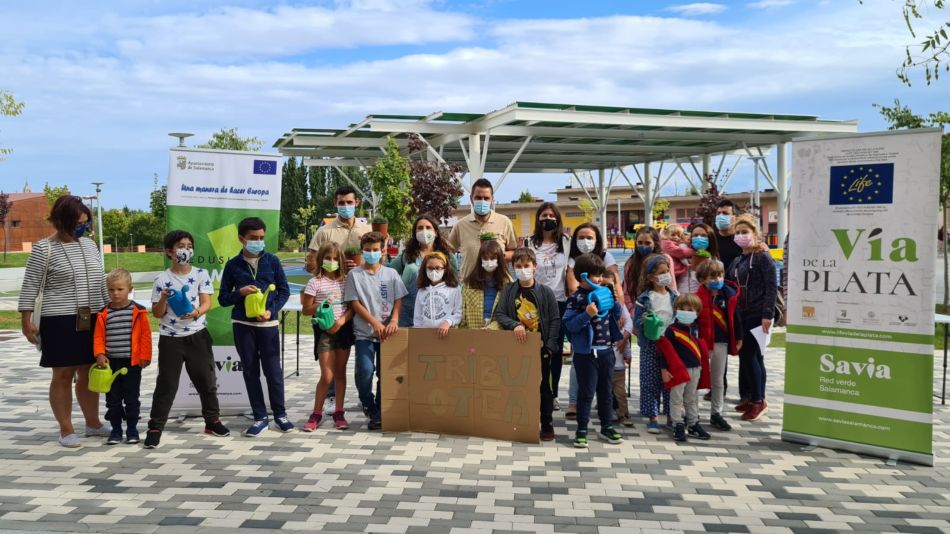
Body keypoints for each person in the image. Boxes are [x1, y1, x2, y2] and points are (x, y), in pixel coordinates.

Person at [18, 195, 110, 447]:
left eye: (86, 223)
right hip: (58, 318)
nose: (83, 228)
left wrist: (107, 312)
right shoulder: (43, 248)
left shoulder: (90, 245)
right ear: (61, 221)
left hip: (91, 317)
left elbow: (100, 281)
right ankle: (66, 429)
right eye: (78, 223)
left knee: (88, 371)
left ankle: (93, 423)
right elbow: (30, 287)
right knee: (63, 373)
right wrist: (26, 320)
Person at [146, 230, 228, 449]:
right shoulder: (161, 279)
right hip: (170, 340)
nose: (186, 250)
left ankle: (212, 421)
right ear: (169, 252)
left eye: (189, 246)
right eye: (181, 246)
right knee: (166, 384)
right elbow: (157, 313)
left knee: (207, 381)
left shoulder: (201, 274)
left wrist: (197, 313)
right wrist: (163, 298)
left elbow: (207, 303)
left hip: (197, 336)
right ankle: (155, 427)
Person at [218, 217, 292, 436]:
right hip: (242, 325)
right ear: (242, 239)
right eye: (253, 238)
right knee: (250, 371)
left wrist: (273, 310)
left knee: (273, 372)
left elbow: (284, 291)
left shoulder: (273, 261)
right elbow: (223, 299)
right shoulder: (232, 265)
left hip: (268, 324)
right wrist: (239, 293)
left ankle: (280, 414)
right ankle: (260, 417)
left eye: (261, 237)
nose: (258, 242)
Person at [493, 248, 561, 442]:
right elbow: (500, 314)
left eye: (526, 266)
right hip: (518, 348)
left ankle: (546, 422)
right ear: (513, 268)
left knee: (544, 388)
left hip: (541, 349)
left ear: (535, 267)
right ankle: (521, 421)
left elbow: (555, 319)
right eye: (518, 266)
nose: (522, 270)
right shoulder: (509, 291)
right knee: (519, 386)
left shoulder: (545, 292)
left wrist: (549, 345)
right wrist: (514, 325)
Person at [344, 231, 408, 430]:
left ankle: (378, 411)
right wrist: (374, 322)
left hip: (388, 334)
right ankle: (367, 401)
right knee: (365, 370)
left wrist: (394, 319)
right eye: (367, 250)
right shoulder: (355, 275)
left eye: (375, 250)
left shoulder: (391, 274)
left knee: (384, 373)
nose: (371, 253)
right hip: (365, 333)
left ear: (383, 251)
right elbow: (354, 302)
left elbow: (399, 298)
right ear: (362, 251)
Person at [563, 253, 625, 448]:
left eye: (601, 275)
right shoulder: (576, 299)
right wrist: (586, 315)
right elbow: (569, 325)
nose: (600, 279)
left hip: (606, 351)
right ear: (583, 277)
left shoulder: (605, 291)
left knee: (606, 392)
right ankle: (582, 429)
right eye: (596, 276)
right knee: (586, 393)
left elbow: (616, 315)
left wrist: (614, 302)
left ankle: (606, 426)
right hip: (586, 354)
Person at [564, 222, 620, 418]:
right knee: (580, 373)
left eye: (589, 237)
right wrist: (587, 309)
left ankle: (607, 417)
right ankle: (575, 406)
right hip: (585, 341)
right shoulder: (573, 264)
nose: (585, 241)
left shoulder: (606, 258)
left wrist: (612, 298)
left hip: (604, 345)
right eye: (581, 237)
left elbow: (613, 283)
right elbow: (573, 290)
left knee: (605, 383)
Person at [726, 215, 777, 422]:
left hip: (757, 313)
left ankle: (758, 400)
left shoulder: (763, 257)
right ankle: (755, 397)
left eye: (745, 232)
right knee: (750, 357)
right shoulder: (739, 260)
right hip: (742, 314)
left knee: (751, 356)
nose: (740, 236)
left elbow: (771, 286)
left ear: (755, 234)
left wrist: (767, 314)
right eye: (737, 233)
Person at [93, 268, 152, 445]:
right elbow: (98, 337)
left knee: (132, 398)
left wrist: (145, 356)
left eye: (120, 289)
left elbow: (145, 336)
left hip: (132, 363)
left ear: (130, 289)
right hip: (111, 364)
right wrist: (100, 354)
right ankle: (116, 430)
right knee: (113, 399)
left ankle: (132, 430)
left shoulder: (138, 312)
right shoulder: (103, 313)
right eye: (111, 289)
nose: (115, 293)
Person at [300, 242, 354, 431]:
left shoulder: (347, 280)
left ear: (340, 261)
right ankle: (316, 413)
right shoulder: (315, 282)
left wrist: (340, 322)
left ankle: (339, 412)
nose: (331, 262)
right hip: (324, 330)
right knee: (327, 375)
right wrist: (322, 306)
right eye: (327, 258)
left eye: (335, 259)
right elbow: (306, 309)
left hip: (343, 330)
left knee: (340, 373)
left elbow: (352, 308)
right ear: (320, 259)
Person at [528, 203, 571, 409]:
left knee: (554, 350)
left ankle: (552, 394)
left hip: (559, 302)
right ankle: (535, 389)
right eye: (544, 215)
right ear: (538, 219)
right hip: (534, 302)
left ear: (558, 219)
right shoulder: (530, 243)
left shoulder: (566, 242)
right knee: (535, 349)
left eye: (551, 215)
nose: (548, 218)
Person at [632, 254, 677, 434]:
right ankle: (653, 417)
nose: (666, 275)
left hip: (670, 345)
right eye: (662, 272)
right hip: (651, 344)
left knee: (671, 381)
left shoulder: (674, 296)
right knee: (650, 381)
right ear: (651, 277)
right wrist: (644, 321)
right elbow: (636, 323)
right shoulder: (643, 298)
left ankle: (671, 416)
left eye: (668, 271)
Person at [656, 294, 711, 442]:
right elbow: (664, 352)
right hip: (679, 371)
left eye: (690, 309)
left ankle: (693, 424)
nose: (686, 311)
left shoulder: (696, 329)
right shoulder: (672, 330)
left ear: (697, 312)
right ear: (676, 310)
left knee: (691, 398)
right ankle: (677, 425)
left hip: (695, 369)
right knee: (676, 399)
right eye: (682, 308)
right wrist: (664, 370)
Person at [695, 259, 741, 431]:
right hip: (701, 344)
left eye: (720, 275)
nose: (717, 279)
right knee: (696, 380)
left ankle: (716, 413)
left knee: (718, 380)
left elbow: (735, 317)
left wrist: (739, 336)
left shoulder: (728, 295)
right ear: (702, 279)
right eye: (712, 276)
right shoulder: (696, 298)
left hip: (721, 343)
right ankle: (693, 414)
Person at [388, 213, 459, 327]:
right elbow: (388, 271)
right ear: (415, 233)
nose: (424, 231)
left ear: (435, 232)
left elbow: (455, 284)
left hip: (438, 315)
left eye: (428, 227)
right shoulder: (407, 255)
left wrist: (452, 317)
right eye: (420, 228)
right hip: (407, 310)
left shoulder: (448, 256)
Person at [447, 178, 517, 279]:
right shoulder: (460, 225)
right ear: (471, 199)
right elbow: (448, 252)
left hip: (499, 285)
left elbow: (514, 252)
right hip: (470, 286)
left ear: (492, 199)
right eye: (478, 198)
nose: (482, 201)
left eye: (486, 198)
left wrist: (496, 255)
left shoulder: (505, 222)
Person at [309, 185, 372, 269]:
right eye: (341, 203)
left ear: (356, 202)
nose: (346, 206)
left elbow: (378, 260)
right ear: (335, 203)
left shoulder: (368, 229)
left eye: (349, 202)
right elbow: (310, 264)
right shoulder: (323, 231)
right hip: (334, 281)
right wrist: (335, 267)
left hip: (363, 281)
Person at [602, 270, 634, 428]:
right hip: (603, 358)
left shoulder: (620, 307)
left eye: (610, 286)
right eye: (603, 285)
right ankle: (609, 412)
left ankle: (624, 413)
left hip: (619, 359)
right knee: (606, 391)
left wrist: (625, 344)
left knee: (620, 391)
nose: (607, 290)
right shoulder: (595, 304)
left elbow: (629, 324)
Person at [458, 240, 510, 330]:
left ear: (499, 259)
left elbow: (508, 313)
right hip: (473, 332)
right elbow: (463, 312)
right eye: (485, 258)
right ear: (480, 260)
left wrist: (492, 327)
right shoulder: (469, 283)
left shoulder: (507, 283)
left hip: (497, 332)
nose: (489, 262)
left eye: (493, 258)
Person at [622, 226, 676, 311]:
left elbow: (672, 286)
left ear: (655, 244)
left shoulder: (665, 259)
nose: (643, 246)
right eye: (640, 242)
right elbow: (627, 292)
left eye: (647, 243)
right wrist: (633, 310)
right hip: (640, 308)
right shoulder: (631, 263)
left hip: (664, 307)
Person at [413, 252, 462, 334]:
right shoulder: (421, 291)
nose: (434, 271)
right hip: (426, 335)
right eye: (430, 268)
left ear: (445, 269)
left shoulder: (454, 290)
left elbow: (458, 313)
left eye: (438, 268)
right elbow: (417, 318)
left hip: (447, 334)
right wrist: (418, 332)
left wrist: (448, 322)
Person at [681, 223, 720, 295]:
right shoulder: (682, 255)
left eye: (703, 235)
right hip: (682, 301)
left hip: (703, 302)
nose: (699, 238)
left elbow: (715, 289)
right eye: (695, 235)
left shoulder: (715, 262)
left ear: (710, 238)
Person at [713, 199, 743, 273]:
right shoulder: (711, 239)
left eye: (725, 213)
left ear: (735, 217)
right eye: (718, 213)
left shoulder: (742, 240)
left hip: (736, 283)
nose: (720, 216)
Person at [660, 225, 693, 290]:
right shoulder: (666, 243)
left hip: (675, 271)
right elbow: (680, 252)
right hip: (672, 271)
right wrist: (693, 252)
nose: (676, 237)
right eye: (673, 235)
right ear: (666, 235)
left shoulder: (674, 243)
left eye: (678, 236)